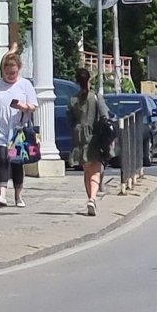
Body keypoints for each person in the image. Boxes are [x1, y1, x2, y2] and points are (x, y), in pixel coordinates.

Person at [0, 52, 38, 208]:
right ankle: (2, 195)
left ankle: (18, 196)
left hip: (17, 131)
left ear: (19, 69)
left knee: (16, 162)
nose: (11, 76)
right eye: (8, 73)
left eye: (14, 73)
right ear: (2, 70)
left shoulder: (25, 85)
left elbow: (33, 106)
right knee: (3, 158)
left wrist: (22, 106)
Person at [68, 67, 111, 216]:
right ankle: (92, 199)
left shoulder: (73, 100)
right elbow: (105, 115)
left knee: (87, 171)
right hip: (95, 137)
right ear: (89, 80)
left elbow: (70, 120)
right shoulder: (96, 97)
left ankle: (90, 199)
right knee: (96, 171)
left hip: (79, 138)